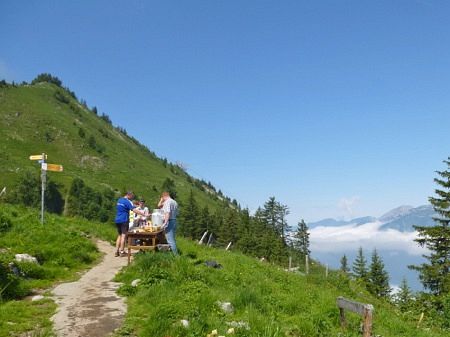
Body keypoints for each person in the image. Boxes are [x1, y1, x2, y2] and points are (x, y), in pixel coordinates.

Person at [114, 191, 145, 257]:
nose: (132, 197)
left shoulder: (119, 200)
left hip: (117, 219)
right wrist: (143, 213)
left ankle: (116, 251)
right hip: (124, 220)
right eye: (132, 196)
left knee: (119, 235)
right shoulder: (127, 201)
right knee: (123, 236)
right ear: (129, 195)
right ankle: (122, 251)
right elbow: (134, 210)